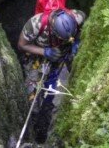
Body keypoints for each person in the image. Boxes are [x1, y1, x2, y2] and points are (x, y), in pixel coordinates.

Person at [18, 8, 86, 143]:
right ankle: (32, 122)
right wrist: (44, 52)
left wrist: (76, 42)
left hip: (63, 55)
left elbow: (84, 27)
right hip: (39, 57)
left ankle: (52, 117)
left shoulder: (77, 17)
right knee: (31, 95)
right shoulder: (35, 24)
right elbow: (21, 45)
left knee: (61, 96)